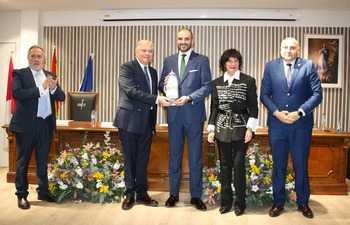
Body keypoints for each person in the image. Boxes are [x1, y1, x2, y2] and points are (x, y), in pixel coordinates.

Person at [260, 37, 323, 219]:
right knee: (279, 165)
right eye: (285, 47)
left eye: (292, 48)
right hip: (277, 124)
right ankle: (278, 202)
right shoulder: (271, 66)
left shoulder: (308, 66)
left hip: (301, 125)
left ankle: (303, 202)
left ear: (298, 50)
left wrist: (300, 112)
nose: (288, 50)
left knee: (300, 164)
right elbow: (264, 95)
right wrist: (276, 112)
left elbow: (317, 95)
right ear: (280, 49)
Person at [159, 28, 212, 211]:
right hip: (174, 115)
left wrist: (189, 97)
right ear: (177, 40)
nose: (183, 41)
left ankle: (196, 196)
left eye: (186, 38)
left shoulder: (202, 60)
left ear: (193, 40)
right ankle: (173, 194)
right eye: (180, 38)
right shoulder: (168, 60)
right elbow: (161, 84)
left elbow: (207, 86)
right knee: (174, 156)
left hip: (194, 115)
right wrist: (164, 84)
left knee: (196, 157)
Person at [113, 40, 170, 210]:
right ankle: (129, 194)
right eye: (144, 50)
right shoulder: (127, 68)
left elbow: (153, 91)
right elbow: (131, 91)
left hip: (146, 123)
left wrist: (165, 86)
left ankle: (142, 193)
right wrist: (157, 99)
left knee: (142, 161)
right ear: (136, 51)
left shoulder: (152, 71)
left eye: (150, 51)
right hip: (129, 121)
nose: (147, 54)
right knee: (130, 159)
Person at [10, 45, 66, 209]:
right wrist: (41, 89)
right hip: (26, 125)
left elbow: (61, 97)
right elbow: (17, 94)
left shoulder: (50, 75)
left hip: (45, 124)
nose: (36, 59)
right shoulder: (20, 74)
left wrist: (54, 88)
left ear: (44, 59)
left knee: (43, 160)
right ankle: (21, 195)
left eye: (39, 56)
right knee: (23, 161)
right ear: (28, 59)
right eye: (33, 56)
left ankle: (43, 191)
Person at [207, 48, 258, 216]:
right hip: (222, 129)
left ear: (239, 63)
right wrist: (211, 129)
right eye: (229, 61)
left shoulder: (248, 81)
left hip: (241, 129)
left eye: (236, 61)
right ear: (224, 64)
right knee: (225, 166)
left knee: (238, 165)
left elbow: (253, 108)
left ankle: (240, 203)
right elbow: (214, 108)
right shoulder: (217, 83)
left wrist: (250, 128)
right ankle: (226, 202)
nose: (233, 64)